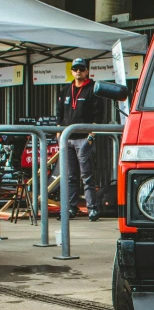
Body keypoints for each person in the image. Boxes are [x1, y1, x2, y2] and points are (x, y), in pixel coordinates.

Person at [56, 58, 104, 221]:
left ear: (86, 71)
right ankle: (71, 208)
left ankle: (92, 208)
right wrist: (58, 130)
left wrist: (91, 136)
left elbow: (99, 114)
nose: (78, 71)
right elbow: (59, 112)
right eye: (75, 69)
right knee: (70, 176)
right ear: (71, 71)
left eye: (81, 69)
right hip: (67, 139)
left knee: (87, 175)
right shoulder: (64, 90)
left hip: (84, 139)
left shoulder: (93, 89)